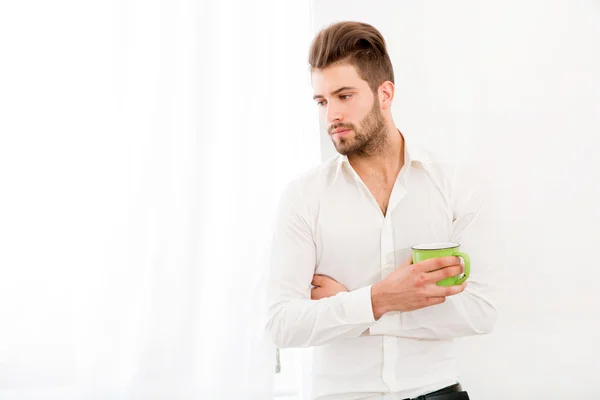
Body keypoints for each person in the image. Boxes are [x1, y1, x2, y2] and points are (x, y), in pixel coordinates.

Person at [265, 21, 497, 400]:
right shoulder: (304, 196)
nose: (331, 116)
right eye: (322, 101)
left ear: (384, 93)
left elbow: (481, 310)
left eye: (344, 96)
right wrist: (382, 298)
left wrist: (363, 303)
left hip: (438, 393)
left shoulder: (453, 186)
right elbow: (282, 324)